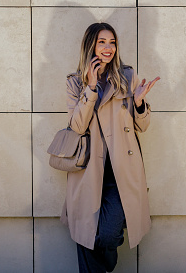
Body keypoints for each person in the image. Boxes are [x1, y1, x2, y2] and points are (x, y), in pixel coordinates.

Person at [62, 22, 160, 272]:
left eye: (112, 42)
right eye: (102, 42)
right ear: (90, 45)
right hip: (88, 172)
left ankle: (105, 258)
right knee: (87, 235)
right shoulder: (76, 82)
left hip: (120, 173)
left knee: (104, 236)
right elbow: (77, 126)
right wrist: (91, 87)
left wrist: (139, 103)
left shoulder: (127, 77)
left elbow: (143, 126)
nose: (108, 48)